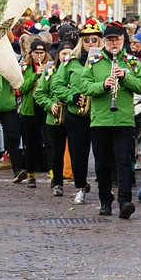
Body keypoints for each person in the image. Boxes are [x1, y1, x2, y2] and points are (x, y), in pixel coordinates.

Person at [80, 22, 141, 218]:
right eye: (110, 39)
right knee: (102, 164)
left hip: (124, 120)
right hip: (100, 120)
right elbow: (84, 86)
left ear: (123, 40)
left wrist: (125, 77)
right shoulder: (94, 61)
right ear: (104, 41)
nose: (114, 43)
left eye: (117, 39)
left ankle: (125, 201)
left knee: (124, 162)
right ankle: (105, 201)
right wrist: (103, 85)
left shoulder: (133, 63)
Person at [52, 20, 102, 205]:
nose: (90, 43)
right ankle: (80, 187)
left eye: (94, 40)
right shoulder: (70, 61)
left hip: (99, 112)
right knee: (78, 153)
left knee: (101, 153)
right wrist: (72, 97)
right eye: (87, 40)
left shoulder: (102, 60)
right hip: (77, 114)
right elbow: (57, 84)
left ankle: (104, 189)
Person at [35, 42, 73, 195]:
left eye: (70, 53)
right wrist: (50, 105)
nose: (67, 56)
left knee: (76, 150)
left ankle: (79, 182)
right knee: (56, 151)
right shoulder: (50, 71)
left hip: (73, 115)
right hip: (55, 117)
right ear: (58, 56)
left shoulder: (78, 69)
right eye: (64, 53)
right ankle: (57, 182)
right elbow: (40, 93)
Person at [18, 39, 50, 190]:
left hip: (46, 108)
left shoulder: (51, 66)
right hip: (30, 109)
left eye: (41, 52)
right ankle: (31, 175)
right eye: (36, 52)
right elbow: (21, 89)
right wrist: (36, 75)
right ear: (30, 53)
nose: (39, 55)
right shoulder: (25, 68)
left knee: (50, 142)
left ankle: (53, 174)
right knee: (31, 144)